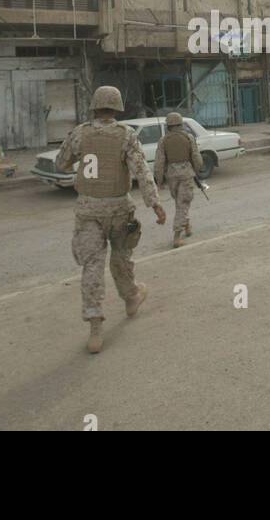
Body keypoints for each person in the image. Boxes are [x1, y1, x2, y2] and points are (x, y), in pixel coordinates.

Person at [56, 85, 167, 353]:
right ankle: (130, 297)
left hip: (88, 211)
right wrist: (155, 204)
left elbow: (61, 163)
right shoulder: (126, 135)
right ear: (117, 108)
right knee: (121, 258)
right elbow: (142, 171)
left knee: (92, 266)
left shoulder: (79, 134)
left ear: (94, 107)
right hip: (119, 208)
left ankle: (95, 328)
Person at [154, 112, 204, 248]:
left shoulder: (163, 141)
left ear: (168, 126)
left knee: (180, 202)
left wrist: (159, 180)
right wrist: (198, 170)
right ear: (181, 124)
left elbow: (159, 162)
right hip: (186, 173)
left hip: (171, 175)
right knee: (183, 203)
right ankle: (177, 236)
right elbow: (196, 157)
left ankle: (187, 226)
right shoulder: (188, 137)